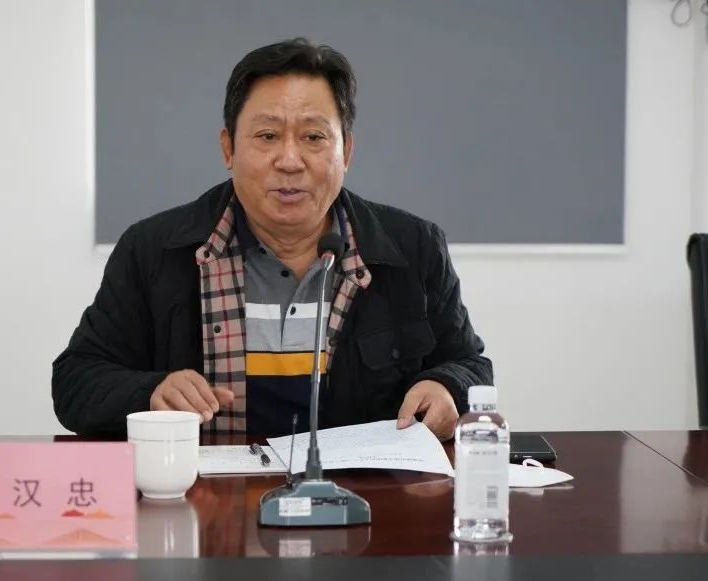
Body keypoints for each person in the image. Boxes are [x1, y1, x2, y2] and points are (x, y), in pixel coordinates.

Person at [52, 38, 492, 440]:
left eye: (314, 137)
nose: (289, 160)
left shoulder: (412, 247)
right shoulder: (153, 250)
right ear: (228, 149)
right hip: (203, 495)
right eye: (267, 136)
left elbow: (471, 366)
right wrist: (151, 392)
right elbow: (75, 382)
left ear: (347, 151)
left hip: (363, 496)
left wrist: (446, 386)